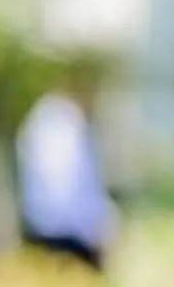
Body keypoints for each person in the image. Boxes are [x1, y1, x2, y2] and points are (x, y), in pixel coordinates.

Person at [16, 90, 118, 269]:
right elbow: (77, 184)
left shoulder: (41, 121)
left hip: (46, 227)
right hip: (70, 232)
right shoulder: (66, 124)